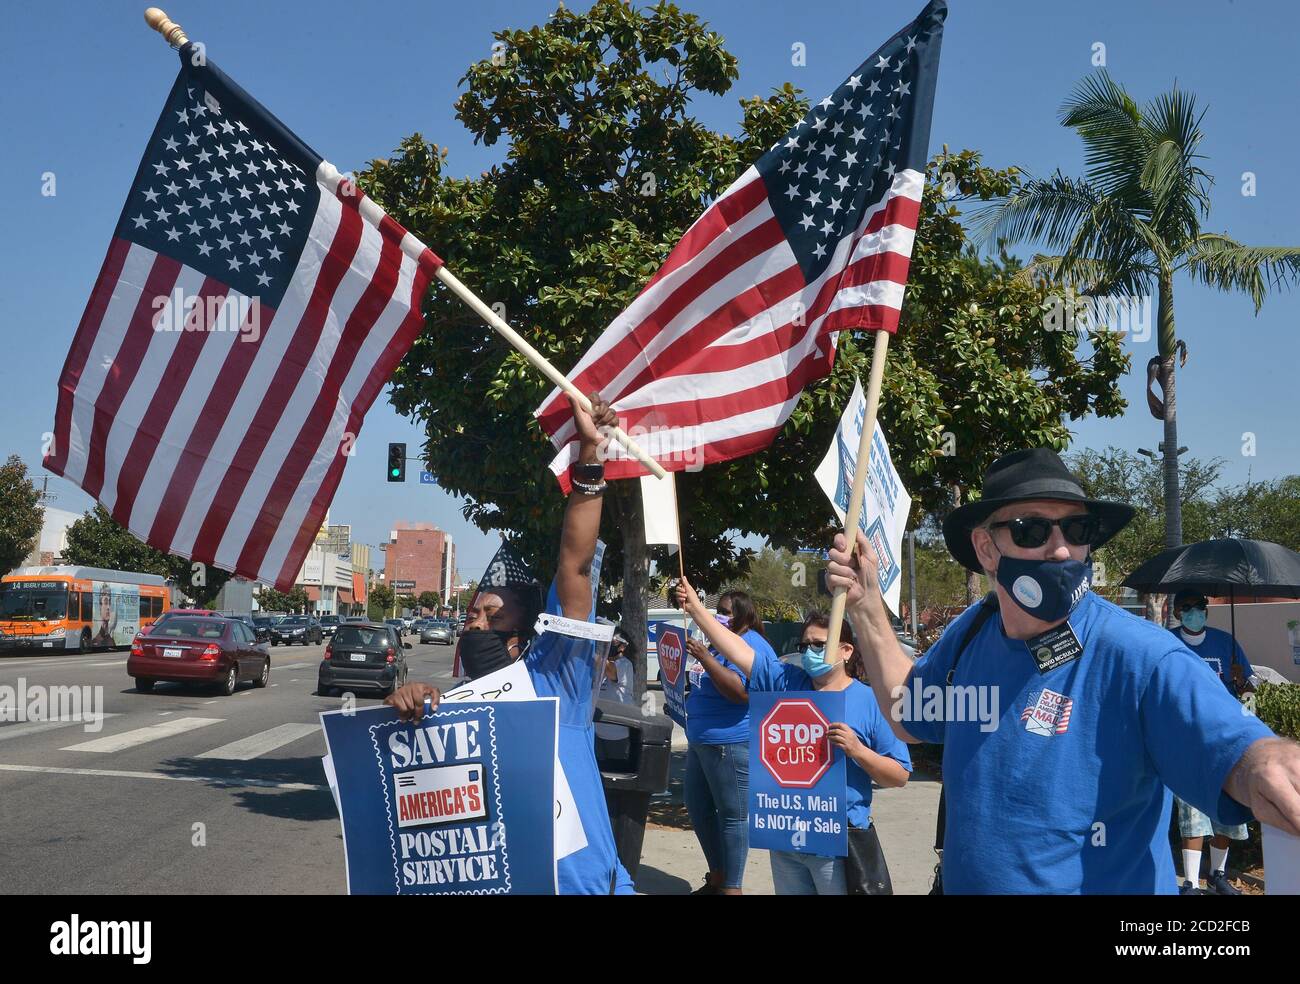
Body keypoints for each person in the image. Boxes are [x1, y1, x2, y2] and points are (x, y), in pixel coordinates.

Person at [827, 447, 1300, 894]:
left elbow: (1233, 748)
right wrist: (867, 609)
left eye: (1076, 530)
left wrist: (1264, 761)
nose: (1059, 550)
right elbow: (907, 714)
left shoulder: (1142, 654)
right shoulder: (971, 631)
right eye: (1032, 530)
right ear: (986, 549)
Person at [387, 392, 636, 895]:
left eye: (491, 616)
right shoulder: (452, 707)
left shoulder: (556, 677)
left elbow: (575, 565)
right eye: (472, 615)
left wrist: (590, 460)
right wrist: (407, 711)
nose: (475, 625)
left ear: (524, 637)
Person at [678, 582, 911, 894]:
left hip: (838, 843)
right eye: (804, 646)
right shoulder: (788, 682)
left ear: (846, 650)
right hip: (785, 838)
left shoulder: (871, 701)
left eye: (819, 645)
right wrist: (695, 608)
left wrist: (858, 751)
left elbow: (899, 775)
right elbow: (739, 651)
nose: (810, 653)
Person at [678, 588, 775, 895]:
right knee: (698, 808)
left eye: (725, 611)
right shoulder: (720, 642)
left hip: (730, 743)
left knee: (733, 817)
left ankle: (732, 888)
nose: (718, 615)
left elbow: (739, 693)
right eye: (716, 609)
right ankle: (717, 875)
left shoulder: (748, 644)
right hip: (701, 740)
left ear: (743, 614)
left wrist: (706, 658)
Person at [1169, 590, 1258, 896]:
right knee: (1192, 811)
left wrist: (1241, 680)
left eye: (1201, 607)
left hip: (1226, 741)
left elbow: (1249, 690)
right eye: (1188, 608)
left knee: (1227, 812)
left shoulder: (1225, 643)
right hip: (1187, 740)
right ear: (1178, 612)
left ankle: (1217, 875)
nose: (1196, 613)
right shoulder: (1167, 643)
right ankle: (1191, 883)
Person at [595, 626, 636, 766]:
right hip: (597, 729)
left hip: (616, 732)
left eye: (611, 643)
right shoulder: (601, 665)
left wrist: (593, 653)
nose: (607, 646)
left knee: (616, 769)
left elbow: (611, 672)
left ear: (623, 646)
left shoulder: (624, 664)